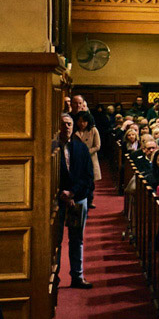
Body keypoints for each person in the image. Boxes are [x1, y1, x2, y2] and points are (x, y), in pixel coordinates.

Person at [58, 113, 95, 289]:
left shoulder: (80, 148)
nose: (66, 127)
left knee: (76, 238)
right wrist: (62, 193)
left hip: (78, 198)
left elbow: (88, 176)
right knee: (55, 240)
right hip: (57, 200)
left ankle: (77, 276)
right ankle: (54, 277)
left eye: (69, 124)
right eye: (63, 123)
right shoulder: (52, 148)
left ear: (73, 126)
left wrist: (72, 193)